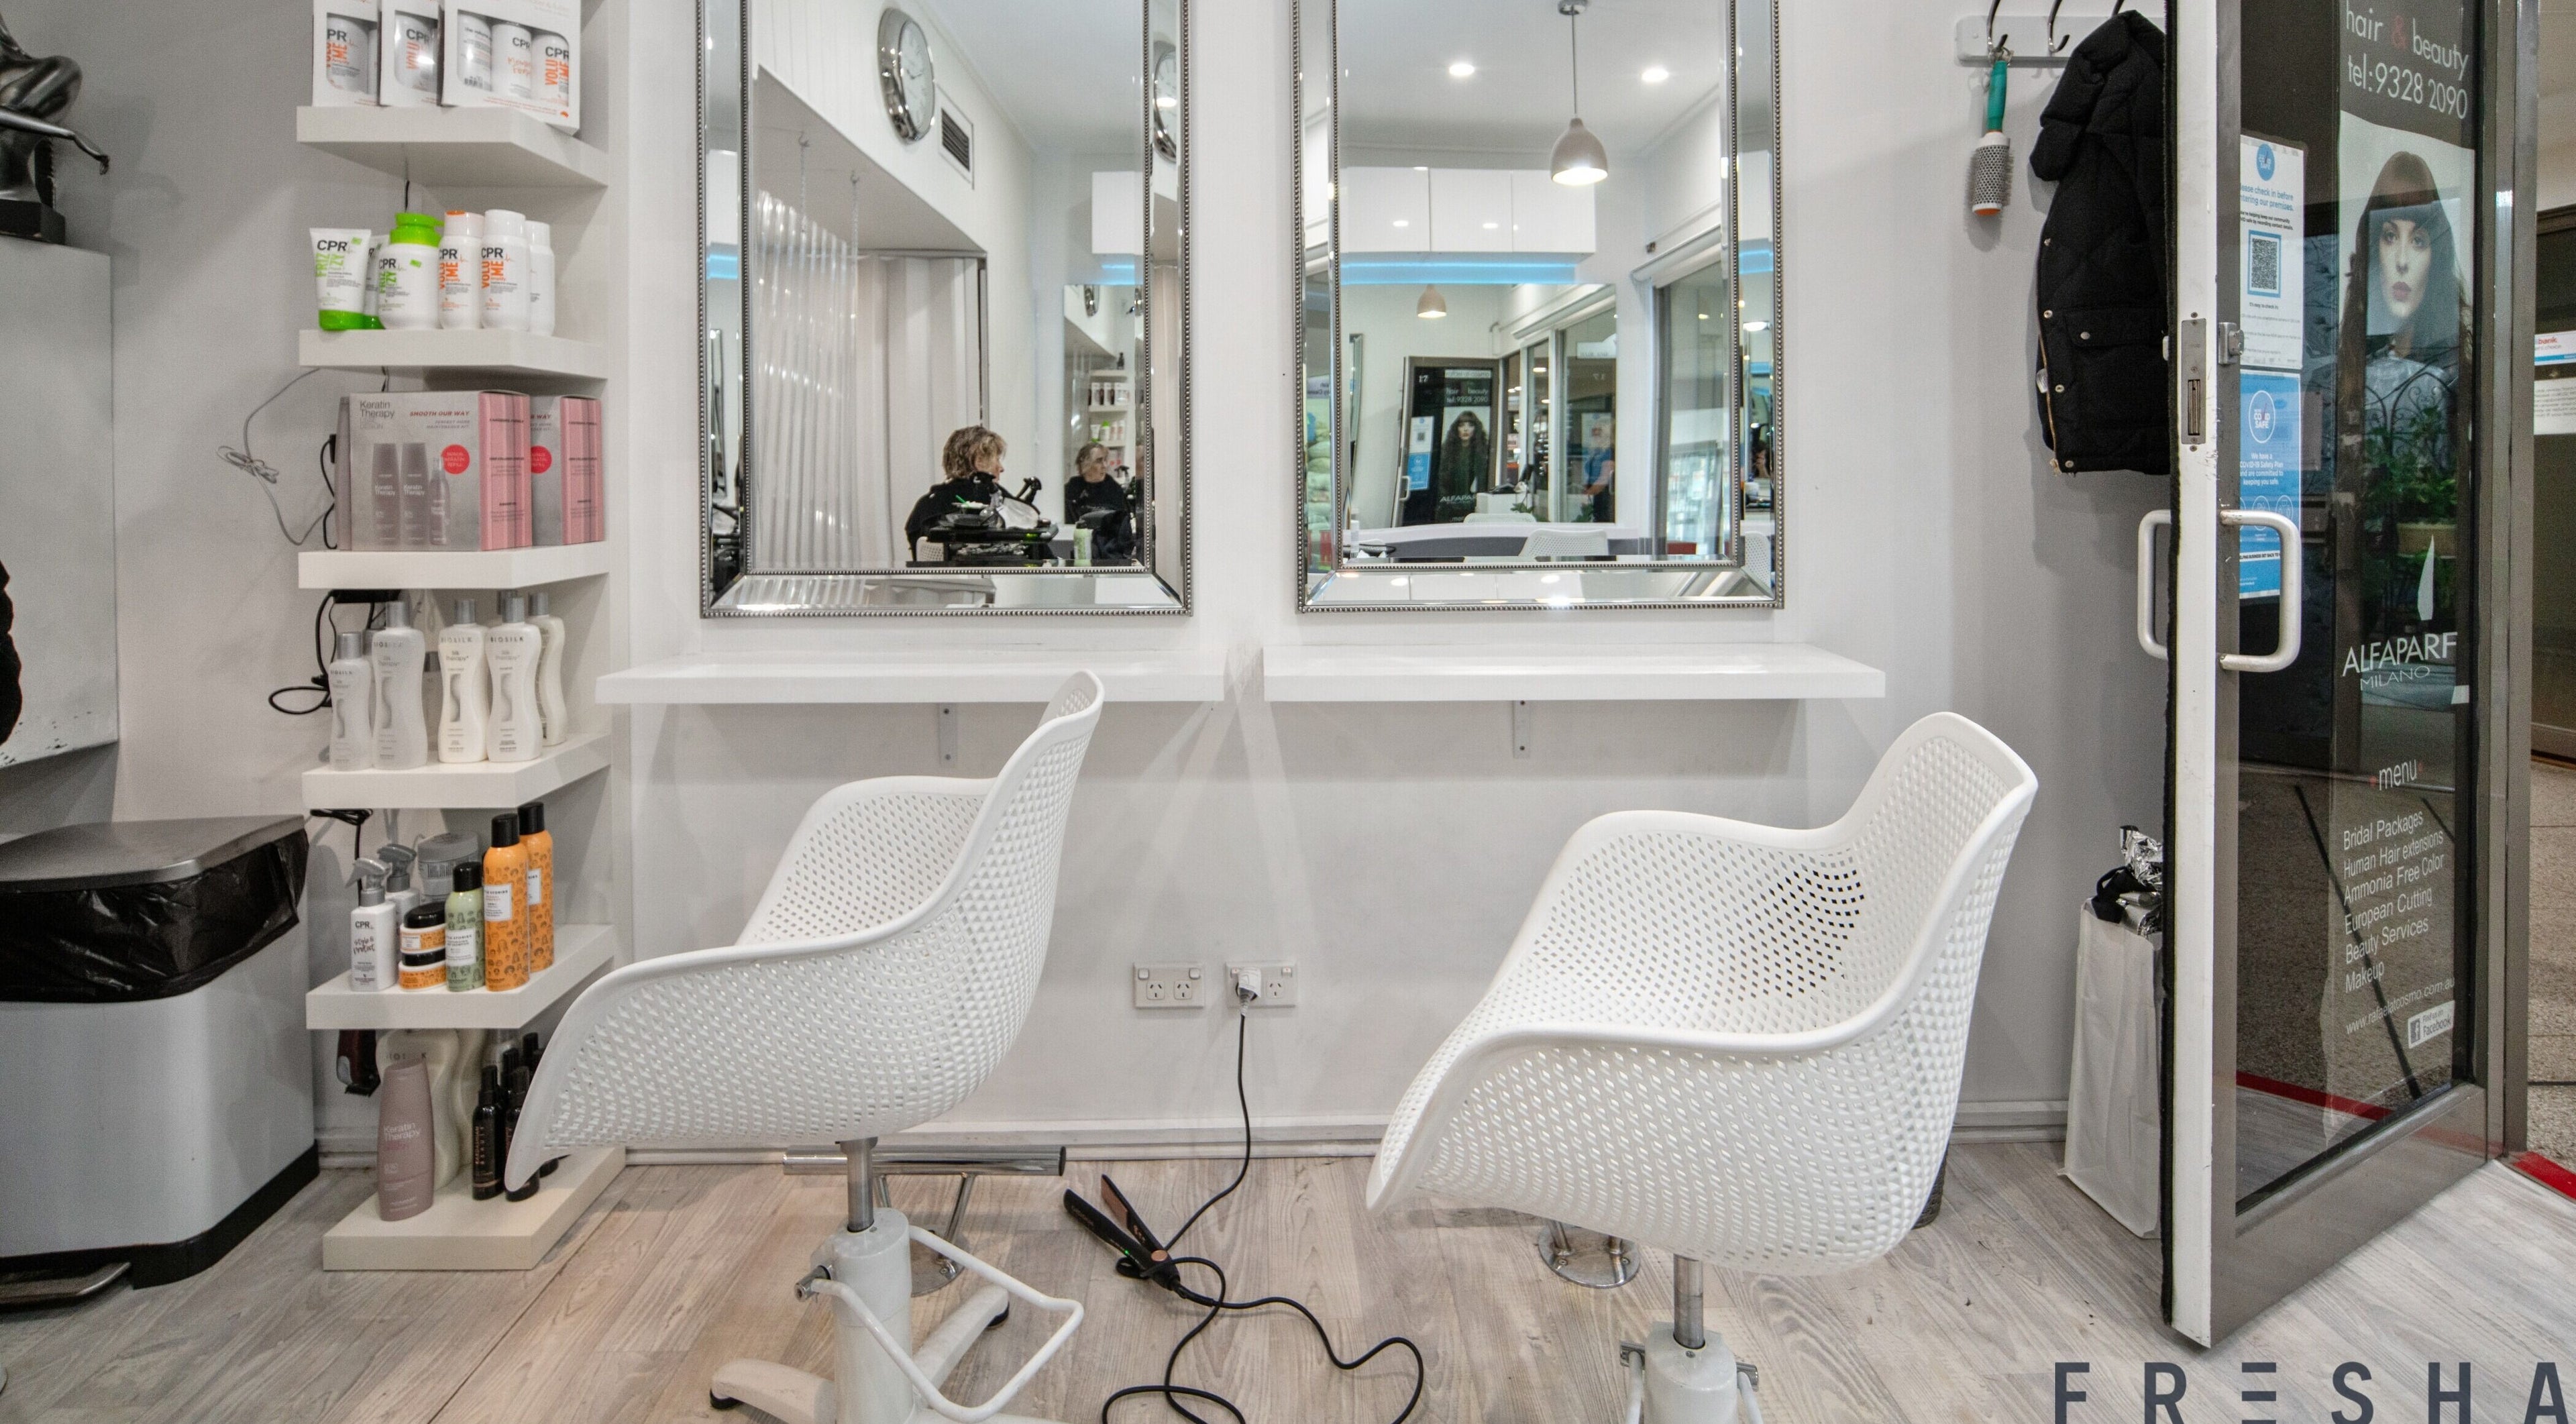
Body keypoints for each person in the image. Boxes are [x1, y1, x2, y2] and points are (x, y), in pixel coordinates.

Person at [2328, 150, 2465, 639]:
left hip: (2433, 583)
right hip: (2352, 576)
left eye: (2419, 239)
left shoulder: (2456, 369)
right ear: (2372, 248)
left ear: (2437, 254)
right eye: (2390, 236)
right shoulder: (2344, 360)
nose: (2403, 259)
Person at [906, 425, 1006, 559]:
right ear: (979, 461)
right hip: (987, 578)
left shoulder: (925, 506)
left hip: (938, 580)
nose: (1001, 468)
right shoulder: (995, 499)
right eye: (997, 459)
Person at [1062, 440, 1140, 563]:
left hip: (1108, 549)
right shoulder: (1072, 488)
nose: (1105, 466)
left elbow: (1122, 524)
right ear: (1085, 464)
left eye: (1105, 460)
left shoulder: (1113, 489)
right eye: (1099, 461)